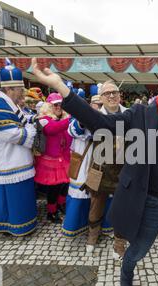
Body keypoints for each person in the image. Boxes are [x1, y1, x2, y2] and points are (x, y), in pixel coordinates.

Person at [32, 58, 158, 286]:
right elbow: (100, 122)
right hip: (153, 204)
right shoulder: (139, 115)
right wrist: (60, 86)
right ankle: (126, 284)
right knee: (136, 253)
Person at [0, 59, 38, 236]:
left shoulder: (6, 102)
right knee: (11, 199)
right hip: (6, 161)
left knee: (11, 199)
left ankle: (12, 225)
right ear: (9, 89)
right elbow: (15, 135)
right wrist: (31, 128)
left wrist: (31, 120)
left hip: (10, 159)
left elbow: (22, 119)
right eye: (20, 90)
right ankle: (15, 227)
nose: (22, 93)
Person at [62, 85, 113, 243]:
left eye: (99, 105)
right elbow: (73, 131)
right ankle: (81, 228)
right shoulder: (79, 119)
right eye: (94, 105)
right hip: (85, 165)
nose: (96, 107)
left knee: (101, 198)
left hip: (102, 166)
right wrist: (85, 120)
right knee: (84, 197)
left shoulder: (110, 118)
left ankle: (101, 229)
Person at [34, 93, 72, 223]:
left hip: (64, 158)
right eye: (56, 104)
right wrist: (71, 119)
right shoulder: (44, 119)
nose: (58, 107)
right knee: (54, 188)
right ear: (49, 106)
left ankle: (61, 205)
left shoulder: (64, 118)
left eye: (61, 104)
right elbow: (52, 129)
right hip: (50, 160)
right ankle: (51, 212)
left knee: (64, 185)